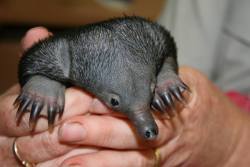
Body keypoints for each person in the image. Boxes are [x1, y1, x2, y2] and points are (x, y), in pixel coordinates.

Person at [1, 1, 250, 167]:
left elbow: (165, 48)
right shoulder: (61, 55)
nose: (147, 127)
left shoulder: (148, 41)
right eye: (114, 102)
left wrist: (234, 143)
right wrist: (41, 85)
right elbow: (34, 63)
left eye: (150, 88)